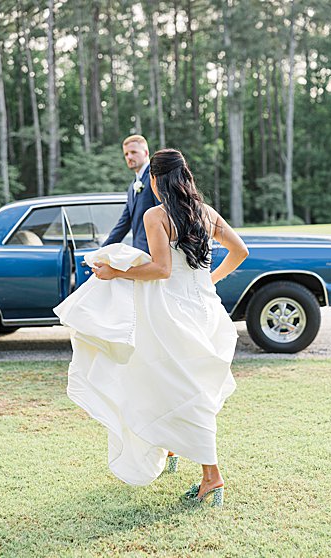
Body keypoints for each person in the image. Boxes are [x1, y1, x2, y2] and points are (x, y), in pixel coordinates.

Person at [55, 148, 249, 506]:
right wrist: (209, 281)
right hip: (206, 310)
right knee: (174, 381)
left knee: (179, 386)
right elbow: (240, 251)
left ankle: (212, 477)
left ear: (156, 180)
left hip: (173, 312)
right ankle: (172, 448)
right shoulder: (205, 212)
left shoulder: (156, 215)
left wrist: (115, 272)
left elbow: (161, 269)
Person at [104, 135, 160, 254]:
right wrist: (102, 250)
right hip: (140, 253)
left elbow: (163, 215)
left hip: (155, 252)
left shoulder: (155, 177)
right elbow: (124, 223)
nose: (129, 157)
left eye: (133, 152)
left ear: (146, 153)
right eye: (126, 154)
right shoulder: (132, 186)